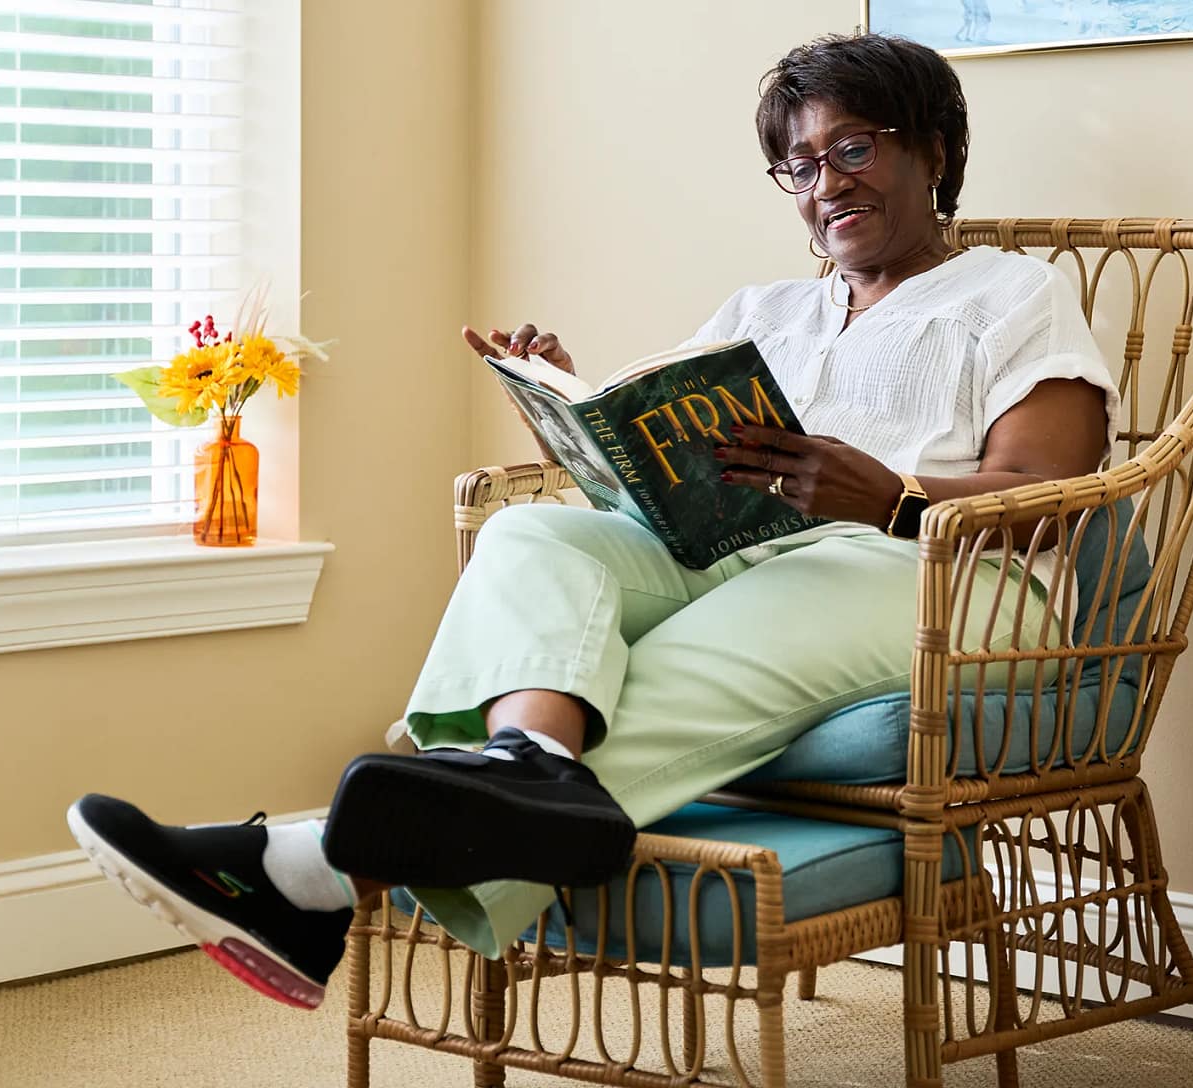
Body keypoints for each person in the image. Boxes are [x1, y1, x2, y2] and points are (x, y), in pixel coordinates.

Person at [66, 32, 1117, 1012]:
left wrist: (887, 497)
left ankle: (306, 870)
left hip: (943, 581)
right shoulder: (765, 312)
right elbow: (670, 469)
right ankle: (531, 765)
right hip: (744, 552)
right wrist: (578, 414)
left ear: (934, 151)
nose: (824, 182)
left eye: (852, 148)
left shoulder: (1010, 294)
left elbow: (1044, 499)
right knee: (533, 536)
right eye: (798, 165)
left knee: (680, 654)